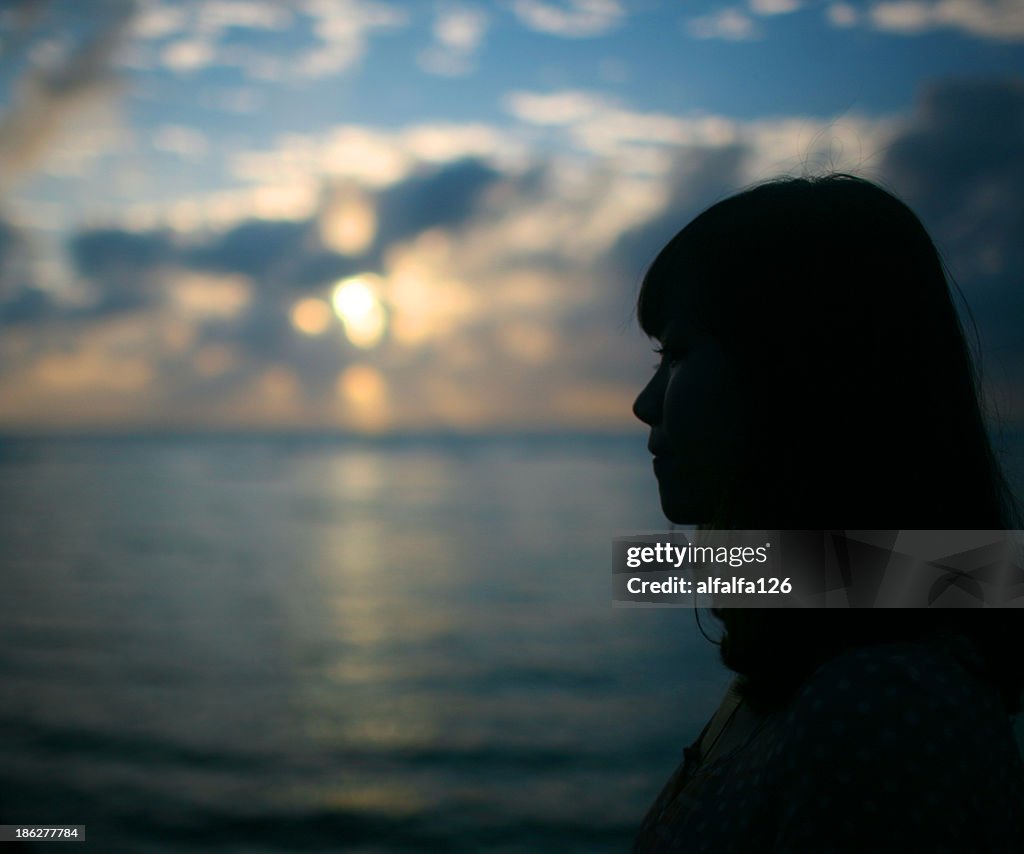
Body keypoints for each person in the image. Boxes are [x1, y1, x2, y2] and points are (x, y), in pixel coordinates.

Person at [629, 174, 1024, 852]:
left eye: (678, 353)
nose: (644, 401)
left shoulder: (879, 704)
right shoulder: (823, 648)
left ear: (794, 374)